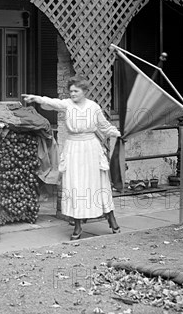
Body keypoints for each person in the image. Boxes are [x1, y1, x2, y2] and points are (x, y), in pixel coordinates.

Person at [22, 76, 121, 240]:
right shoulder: (67, 105)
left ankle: (111, 219)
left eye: (76, 91)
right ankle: (77, 224)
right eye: (71, 91)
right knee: (75, 184)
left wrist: (119, 133)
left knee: (97, 184)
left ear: (84, 91)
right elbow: (53, 102)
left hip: (91, 148)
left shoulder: (93, 107)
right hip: (74, 149)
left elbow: (105, 127)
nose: (72, 93)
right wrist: (36, 98)